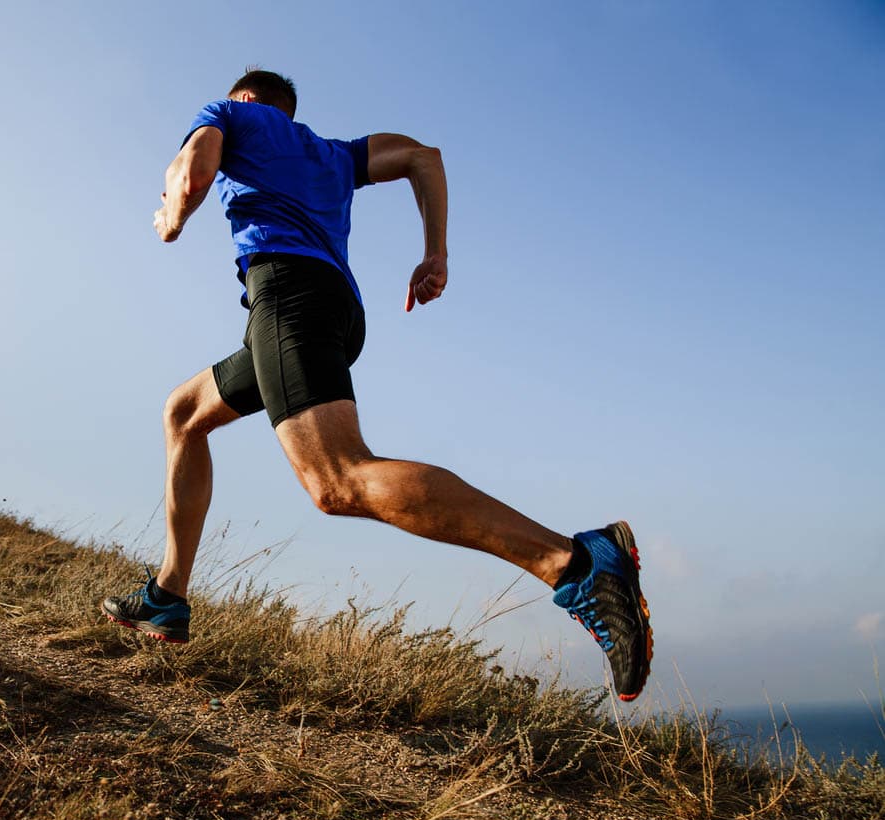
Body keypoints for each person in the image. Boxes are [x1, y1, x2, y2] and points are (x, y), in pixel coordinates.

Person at [102, 70, 653, 701]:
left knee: (336, 480)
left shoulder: (230, 113)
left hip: (289, 300)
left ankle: (575, 564)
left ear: (246, 99)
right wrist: (435, 251)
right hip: (331, 310)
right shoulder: (335, 154)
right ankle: (169, 596)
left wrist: (171, 216)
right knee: (184, 413)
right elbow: (424, 157)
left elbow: (192, 172)